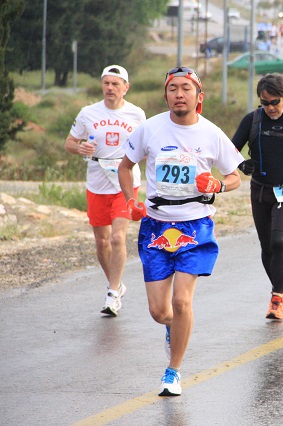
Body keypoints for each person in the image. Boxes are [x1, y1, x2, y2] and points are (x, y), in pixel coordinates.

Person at [118, 67, 244, 396]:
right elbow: (125, 166)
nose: (179, 94)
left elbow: (235, 177)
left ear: (198, 96)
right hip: (156, 225)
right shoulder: (150, 129)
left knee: (182, 301)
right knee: (161, 311)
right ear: (166, 95)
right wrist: (131, 200)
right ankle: (173, 329)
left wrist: (217, 184)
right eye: (173, 88)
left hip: (196, 225)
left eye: (186, 88)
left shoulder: (212, 134)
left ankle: (173, 371)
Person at [64, 65, 146, 316]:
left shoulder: (137, 114)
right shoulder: (88, 113)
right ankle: (117, 283)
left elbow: (148, 146)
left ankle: (112, 294)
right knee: (102, 242)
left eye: (115, 84)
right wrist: (80, 149)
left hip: (125, 181)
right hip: (97, 182)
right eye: (106, 83)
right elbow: (70, 143)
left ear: (126, 87)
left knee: (118, 238)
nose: (110, 88)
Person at [231, 74, 283, 319]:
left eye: (274, 102)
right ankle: (280, 289)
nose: (270, 108)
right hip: (260, 189)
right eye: (264, 103)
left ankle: (276, 297)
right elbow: (230, 151)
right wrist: (241, 164)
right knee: (267, 246)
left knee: (279, 241)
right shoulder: (253, 120)